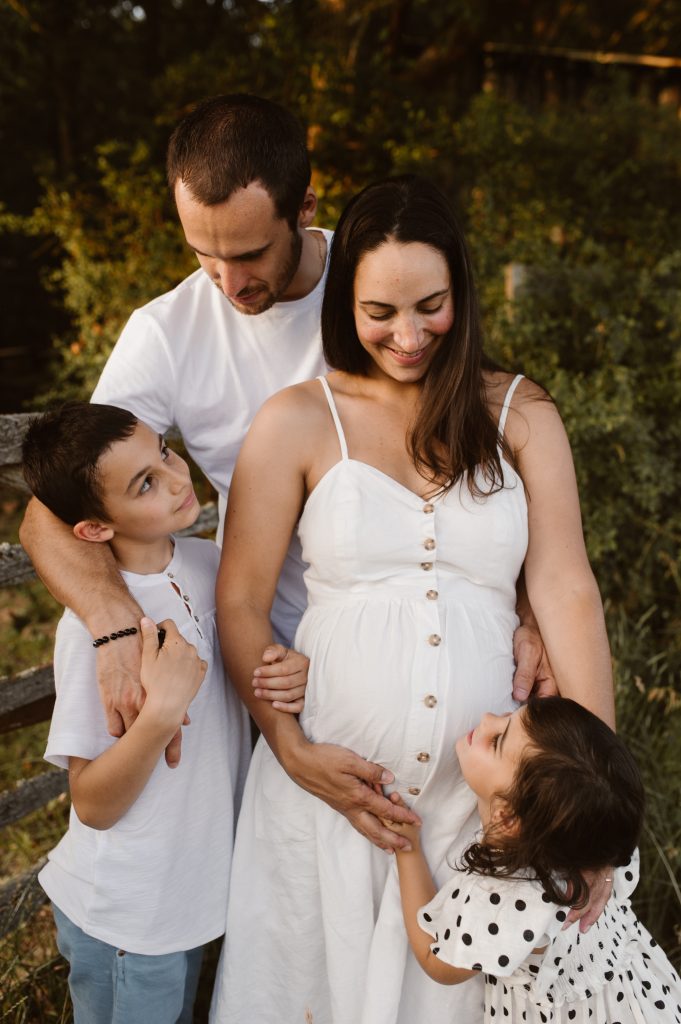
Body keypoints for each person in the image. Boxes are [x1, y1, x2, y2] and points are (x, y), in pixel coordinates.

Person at [19, 96, 547, 807]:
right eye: (202, 254)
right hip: (278, 675)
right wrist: (115, 627)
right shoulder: (167, 334)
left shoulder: (379, 287)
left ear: (305, 207)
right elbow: (52, 511)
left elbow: (481, 458)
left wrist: (528, 607)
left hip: (449, 656)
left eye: (247, 254)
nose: (227, 284)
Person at [209, 175, 615, 1023]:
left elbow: (566, 589)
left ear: (460, 292)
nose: (405, 335)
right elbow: (241, 601)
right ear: (342, 305)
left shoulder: (519, 413)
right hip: (328, 795)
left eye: (428, 305)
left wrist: (591, 811)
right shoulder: (296, 420)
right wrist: (288, 748)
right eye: (377, 312)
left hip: (482, 812)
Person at [21, 401, 251, 1023]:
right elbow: (93, 804)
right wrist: (158, 718)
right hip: (128, 915)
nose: (178, 479)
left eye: (166, 454)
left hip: (190, 892)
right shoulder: (93, 633)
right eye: (145, 483)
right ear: (94, 529)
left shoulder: (208, 563)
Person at [385, 697, 681, 1024]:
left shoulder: (507, 896)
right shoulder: (593, 831)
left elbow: (435, 959)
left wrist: (407, 848)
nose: (486, 718)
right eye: (507, 716)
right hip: (639, 998)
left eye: (496, 741)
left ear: (508, 817)